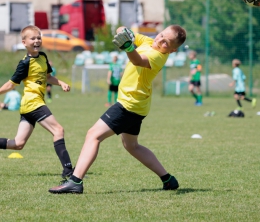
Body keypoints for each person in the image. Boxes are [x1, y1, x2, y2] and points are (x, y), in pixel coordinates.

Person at [49, 24, 186, 194]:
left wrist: (128, 46)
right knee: (132, 146)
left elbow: (137, 60)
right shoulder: (148, 41)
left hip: (129, 105)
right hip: (138, 105)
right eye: (161, 35)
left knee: (93, 135)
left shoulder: (158, 56)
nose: (160, 41)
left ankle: (75, 181)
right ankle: (168, 180)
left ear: (172, 51)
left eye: (166, 43)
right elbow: (122, 30)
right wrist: (124, 32)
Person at [0, 25, 74, 178]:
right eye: (32, 38)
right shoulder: (24, 63)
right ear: (24, 43)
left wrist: (60, 83)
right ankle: (69, 171)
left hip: (32, 105)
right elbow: (11, 84)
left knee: (18, 144)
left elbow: (47, 77)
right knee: (58, 130)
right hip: (32, 103)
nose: (36, 41)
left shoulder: (43, 57)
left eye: (38, 37)